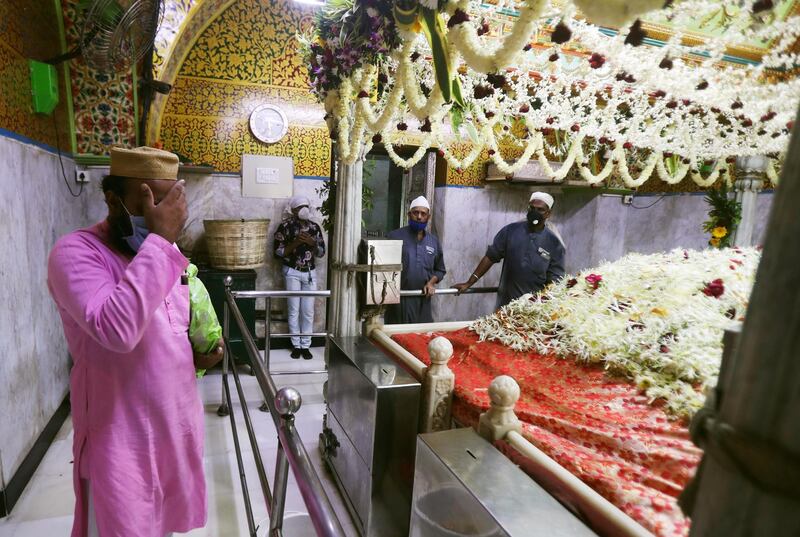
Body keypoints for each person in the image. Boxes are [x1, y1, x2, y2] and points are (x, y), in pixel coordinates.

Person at [47, 147, 223, 537]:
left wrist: (197, 355)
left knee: (166, 525)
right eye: (149, 200)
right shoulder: (76, 253)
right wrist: (160, 240)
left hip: (174, 432)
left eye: (167, 199)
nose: (160, 212)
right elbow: (117, 330)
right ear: (113, 200)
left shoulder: (164, 252)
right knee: (121, 526)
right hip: (120, 443)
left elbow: (165, 330)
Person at [455, 191, 565, 309]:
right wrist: (469, 283)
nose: (535, 212)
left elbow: (555, 280)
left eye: (540, 210)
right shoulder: (510, 231)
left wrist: (546, 306)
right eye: (532, 208)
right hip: (505, 305)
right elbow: (490, 257)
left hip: (533, 309)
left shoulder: (554, 243)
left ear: (548, 214)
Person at [273, 195, 326, 359]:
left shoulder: (315, 228)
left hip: (310, 273)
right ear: (294, 210)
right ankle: (296, 345)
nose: (303, 209)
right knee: (293, 310)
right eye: (300, 207)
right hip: (292, 272)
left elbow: (322, 253)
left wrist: (313, 243)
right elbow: (277, 253)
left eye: (306, 206)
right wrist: (295, 243)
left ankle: (306, 346)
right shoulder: (285, 227)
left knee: (308, 311)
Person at [385, 196, 446, 323]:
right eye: (415, 212)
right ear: (409, 214)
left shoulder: (433, 241)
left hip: (423, 300)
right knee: (396, 339)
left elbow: (440, 270)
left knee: (421, 338)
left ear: (428, 217)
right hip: (399, 301)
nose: (419, 216)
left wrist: (431, 283)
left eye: (423, 213)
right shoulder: (394, 236)